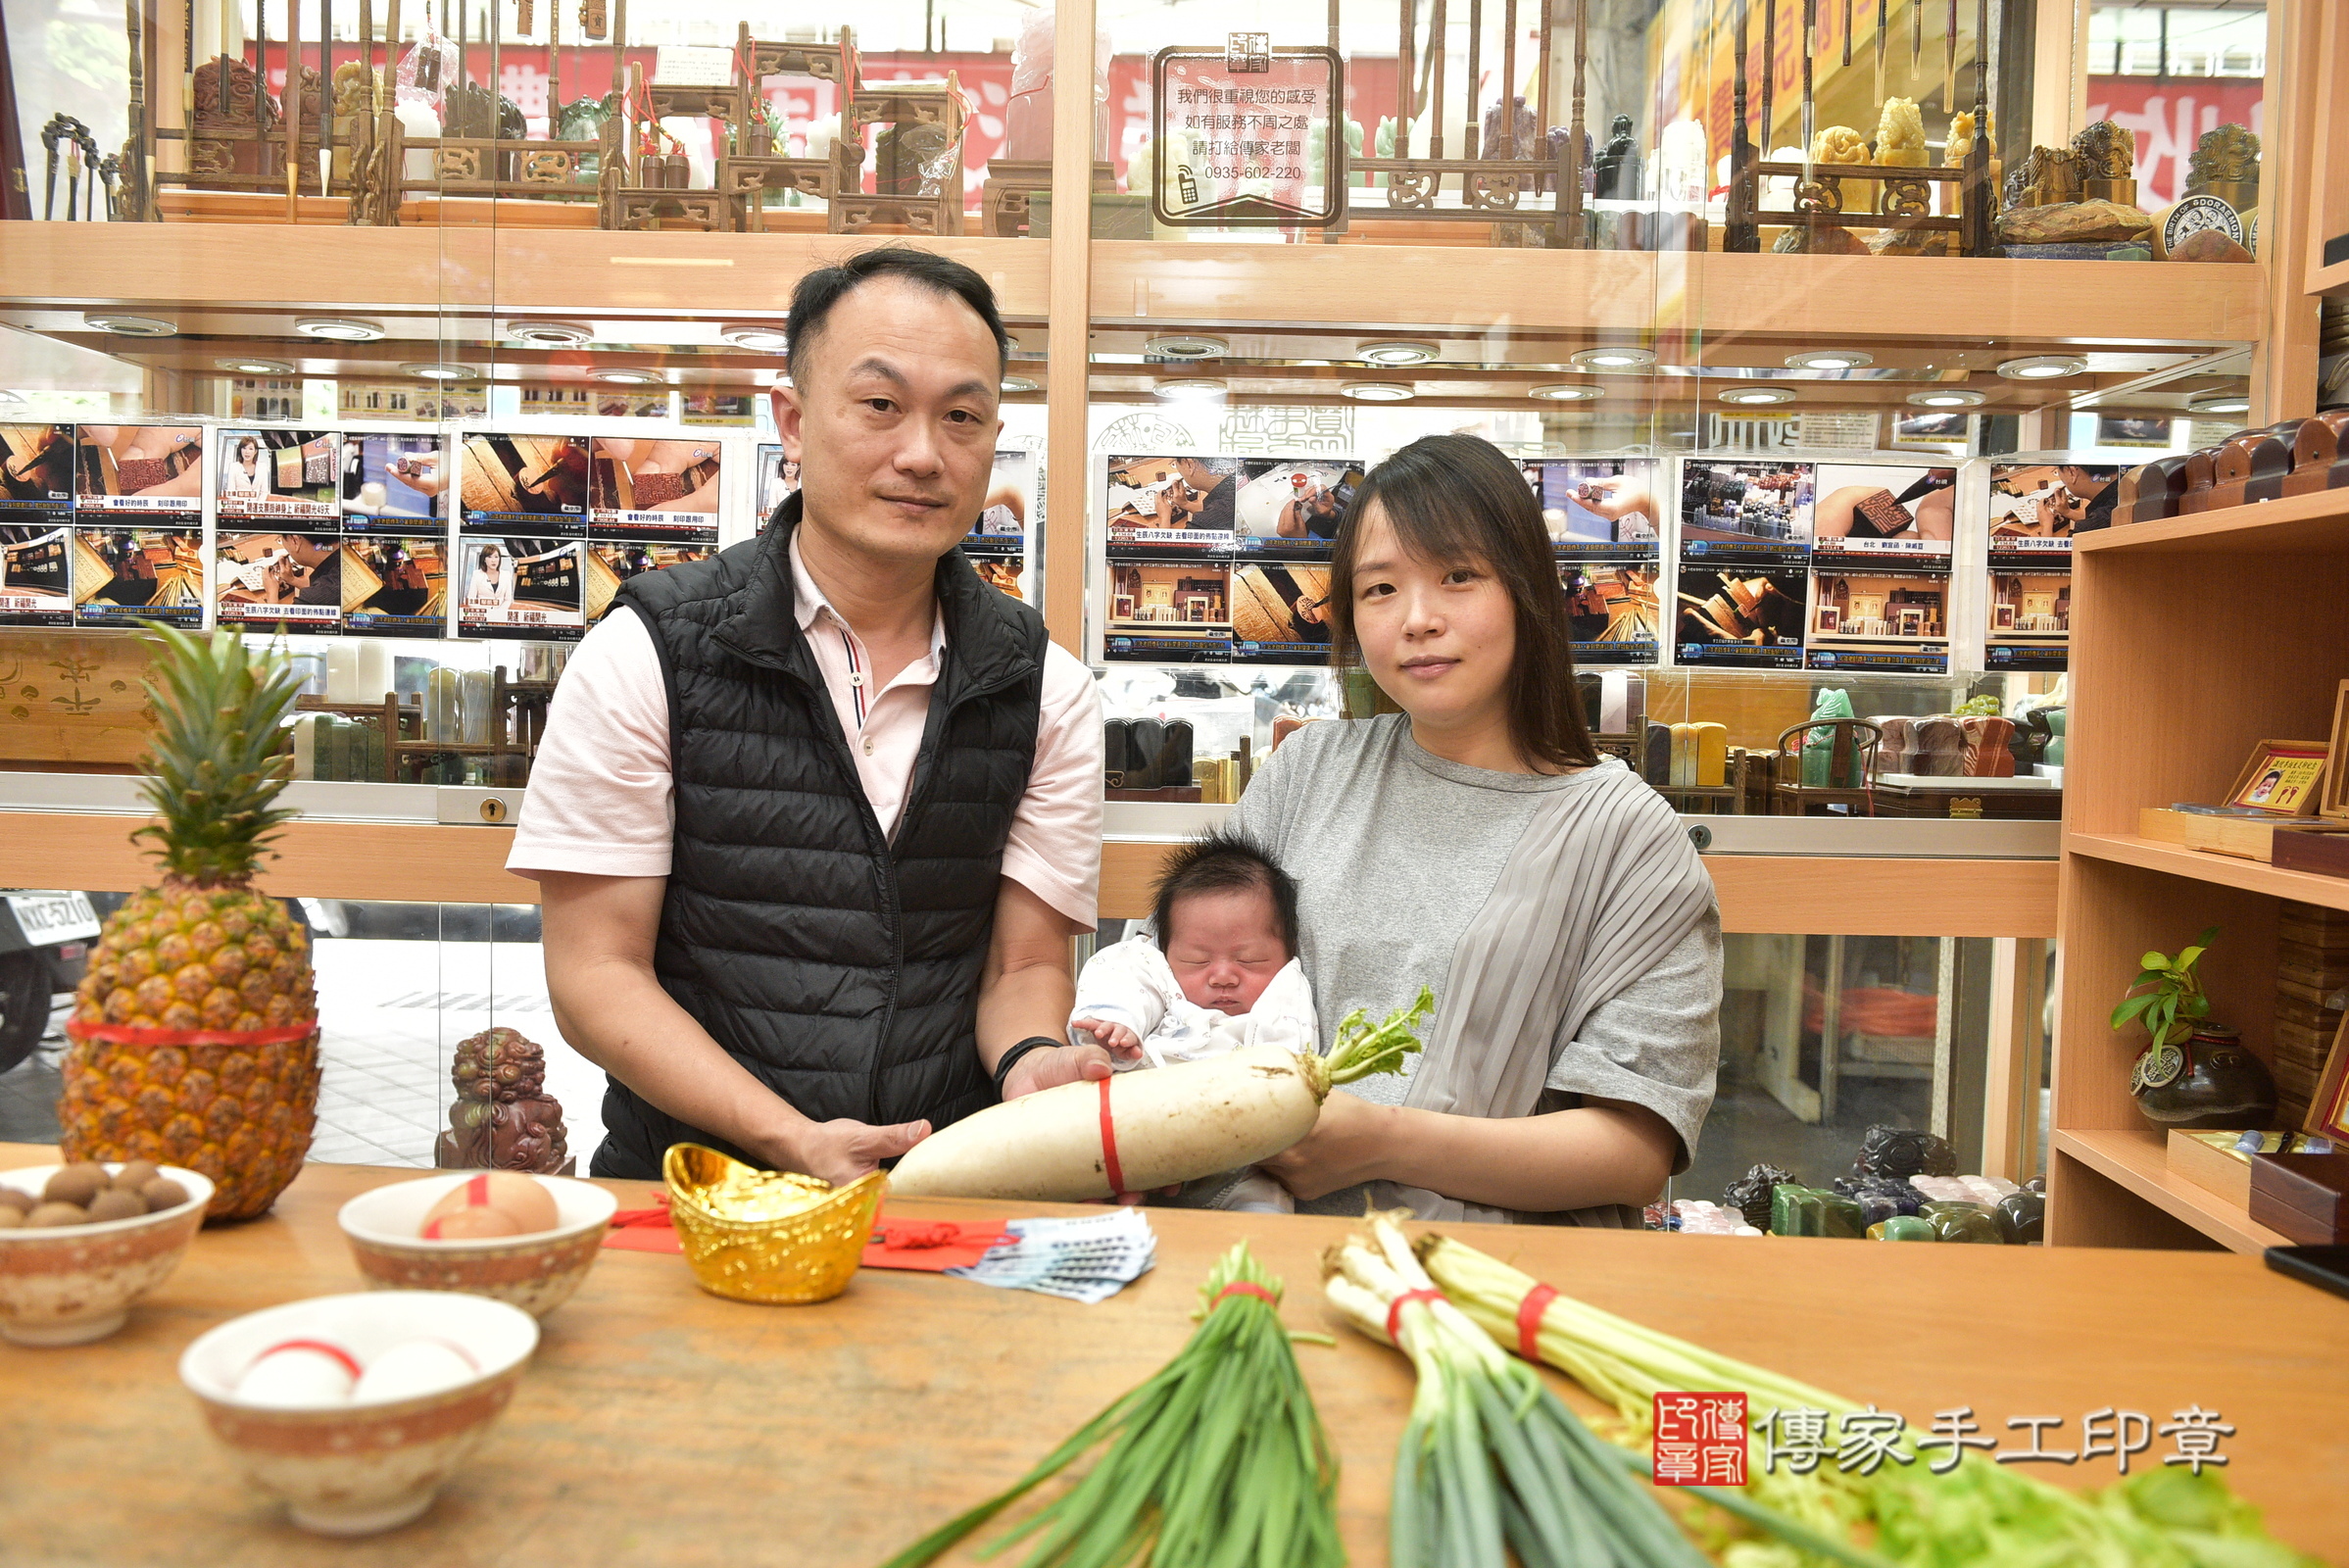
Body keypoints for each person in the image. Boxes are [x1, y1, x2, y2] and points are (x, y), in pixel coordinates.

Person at [508, 247, 1105, 1185]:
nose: (921, 452)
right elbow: (595, 977)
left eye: (961, 416)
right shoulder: (649, 651)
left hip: (945, 1186)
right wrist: (790, 1137)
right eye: (880, 405)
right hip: (690, 1188)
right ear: (791, 418)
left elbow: (1019, 968)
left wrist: (1033, 1059)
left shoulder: (1045, 687)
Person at [1229, 432, 1722, 1225]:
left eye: (1457, 576)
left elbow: (1634, 1152)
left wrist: (1387, 1142)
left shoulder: (1629, 839)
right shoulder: (1304, 775)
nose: (1417, 620)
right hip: (1272, 1265)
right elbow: (1179, 985)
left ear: (1526, 587)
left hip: (1502, 1293)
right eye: (1379, 588)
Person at [1068, 830, 1312, 1212]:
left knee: (1266, 1215)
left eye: (1248, 960)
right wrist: (1117, 1023)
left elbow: (1290, 1067)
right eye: (1198, 961)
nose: (1222, 976)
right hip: (1142, 1138)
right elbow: (1122, 973)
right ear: (1165, 950)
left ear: (1288, 953)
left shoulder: (1285, 992)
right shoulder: (1159, 975)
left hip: (1242, 1164)